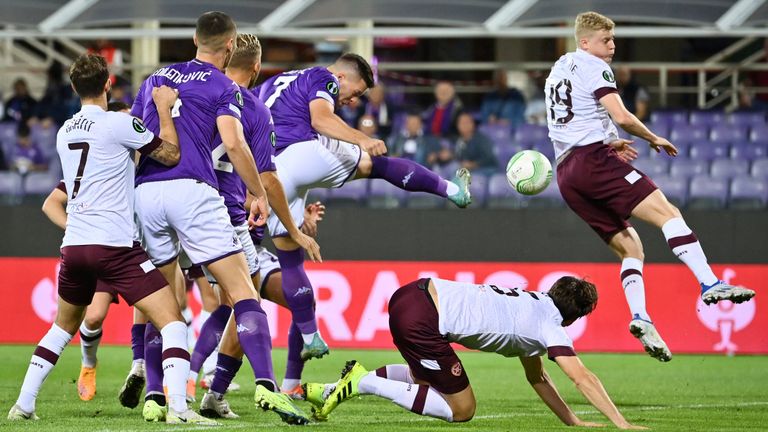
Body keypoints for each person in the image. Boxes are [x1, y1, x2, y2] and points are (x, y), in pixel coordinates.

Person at [6, 53, 214, 424]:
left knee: (61, 327)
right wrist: (164, 110)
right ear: (108, 84)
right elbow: (170, 153)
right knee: (173, 322)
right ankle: (180, 410)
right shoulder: (119, 124)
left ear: (73, 88)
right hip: (115, 247)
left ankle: (24, 404)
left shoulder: (65, 130)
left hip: (74, 245)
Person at [545, 11, 755, 362]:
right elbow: (622, 115)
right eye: (605, 40)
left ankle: (641, 317)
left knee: (632, 249)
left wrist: (609, 142)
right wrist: (652, 137)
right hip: (592, 162)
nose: (611, 46)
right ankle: (709, 284)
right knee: (668, 213)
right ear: (585, 43)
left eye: (612, 39)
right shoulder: (595, 66)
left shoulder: (559, 68)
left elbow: (572, 118)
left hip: (568, 174)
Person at [130, 12, 307, 425]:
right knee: (242, 291)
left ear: (194, 38)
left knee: (164, 302)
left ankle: (157, 395)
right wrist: (258, 194)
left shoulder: (155, 79)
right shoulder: (225, 87)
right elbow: (233, 140)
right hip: (193, 191)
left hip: (145, 194)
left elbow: (137, 139)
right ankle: (267, 387)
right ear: (230, 47)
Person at [255, 54, 472, 366]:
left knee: (290, 257)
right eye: (354, 92)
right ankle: (453, 190)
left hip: (270, 171)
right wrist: (361, 139)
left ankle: (308, 337)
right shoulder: (324, 78)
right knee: (378, 165)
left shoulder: (275, 82)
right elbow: (320, 119)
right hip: (299, 153)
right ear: (341, 78)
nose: (352, 101)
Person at [182, 34, 319, 424]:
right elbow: (269, 179)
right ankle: (260, 386)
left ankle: (188, 386)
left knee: (228, 304)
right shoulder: (253, 108)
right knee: (247, 304)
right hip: (226, 218)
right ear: (257, 67)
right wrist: (293, 228)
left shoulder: (196, 97)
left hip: (185, 210)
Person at [312, 276, 646, 430]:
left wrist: (571, 421)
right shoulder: (551, 325)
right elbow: (582, 378)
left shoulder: (532, 304)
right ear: (575, 317)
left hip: (412, 292)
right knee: (462, 409)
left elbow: (538, 376)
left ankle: (324, 390)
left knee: (420, 379)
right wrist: (622, 424)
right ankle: (361, 382)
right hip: (424, 317)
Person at [39, 103, 134, 402]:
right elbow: (51, 203)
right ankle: (89, 365)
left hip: (137, 247)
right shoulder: (94, 166)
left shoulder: (143, 161)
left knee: (168, 312)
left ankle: (160, 380)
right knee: (93, 317)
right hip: (103, 245)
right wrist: (75, 227)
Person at [198, 202, 326, 419]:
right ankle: (198, 384)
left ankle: (290, 385)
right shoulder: (257, 173)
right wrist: (286, 211)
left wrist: (294, 217)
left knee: (302, 301)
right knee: (243, 306)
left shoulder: (259, 177)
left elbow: (266, 212)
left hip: (251, 249)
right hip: (222, 241)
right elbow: (255, 193)